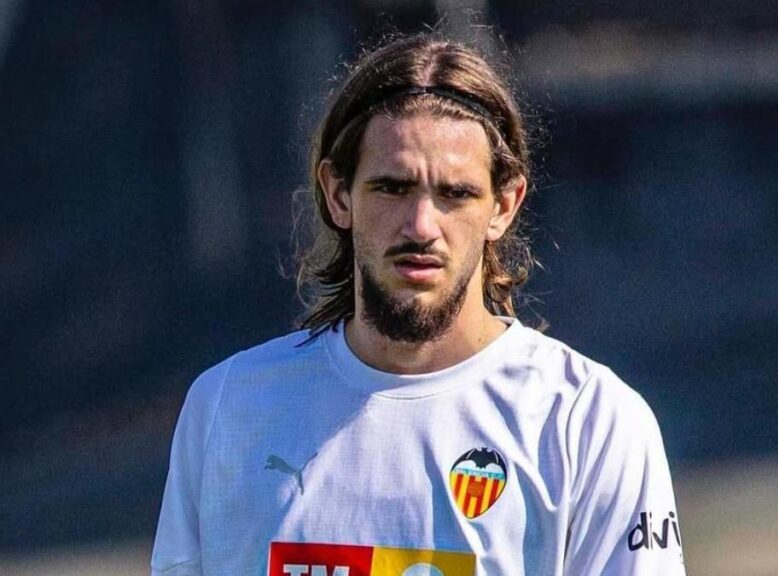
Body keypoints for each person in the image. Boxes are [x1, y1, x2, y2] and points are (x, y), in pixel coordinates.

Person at [152, 33, 685, 576]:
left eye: (455, 193)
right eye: (392, 188)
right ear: (338, 194)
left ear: (504, 205)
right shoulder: (229, 410)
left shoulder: (586, 422)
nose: (421, 226)